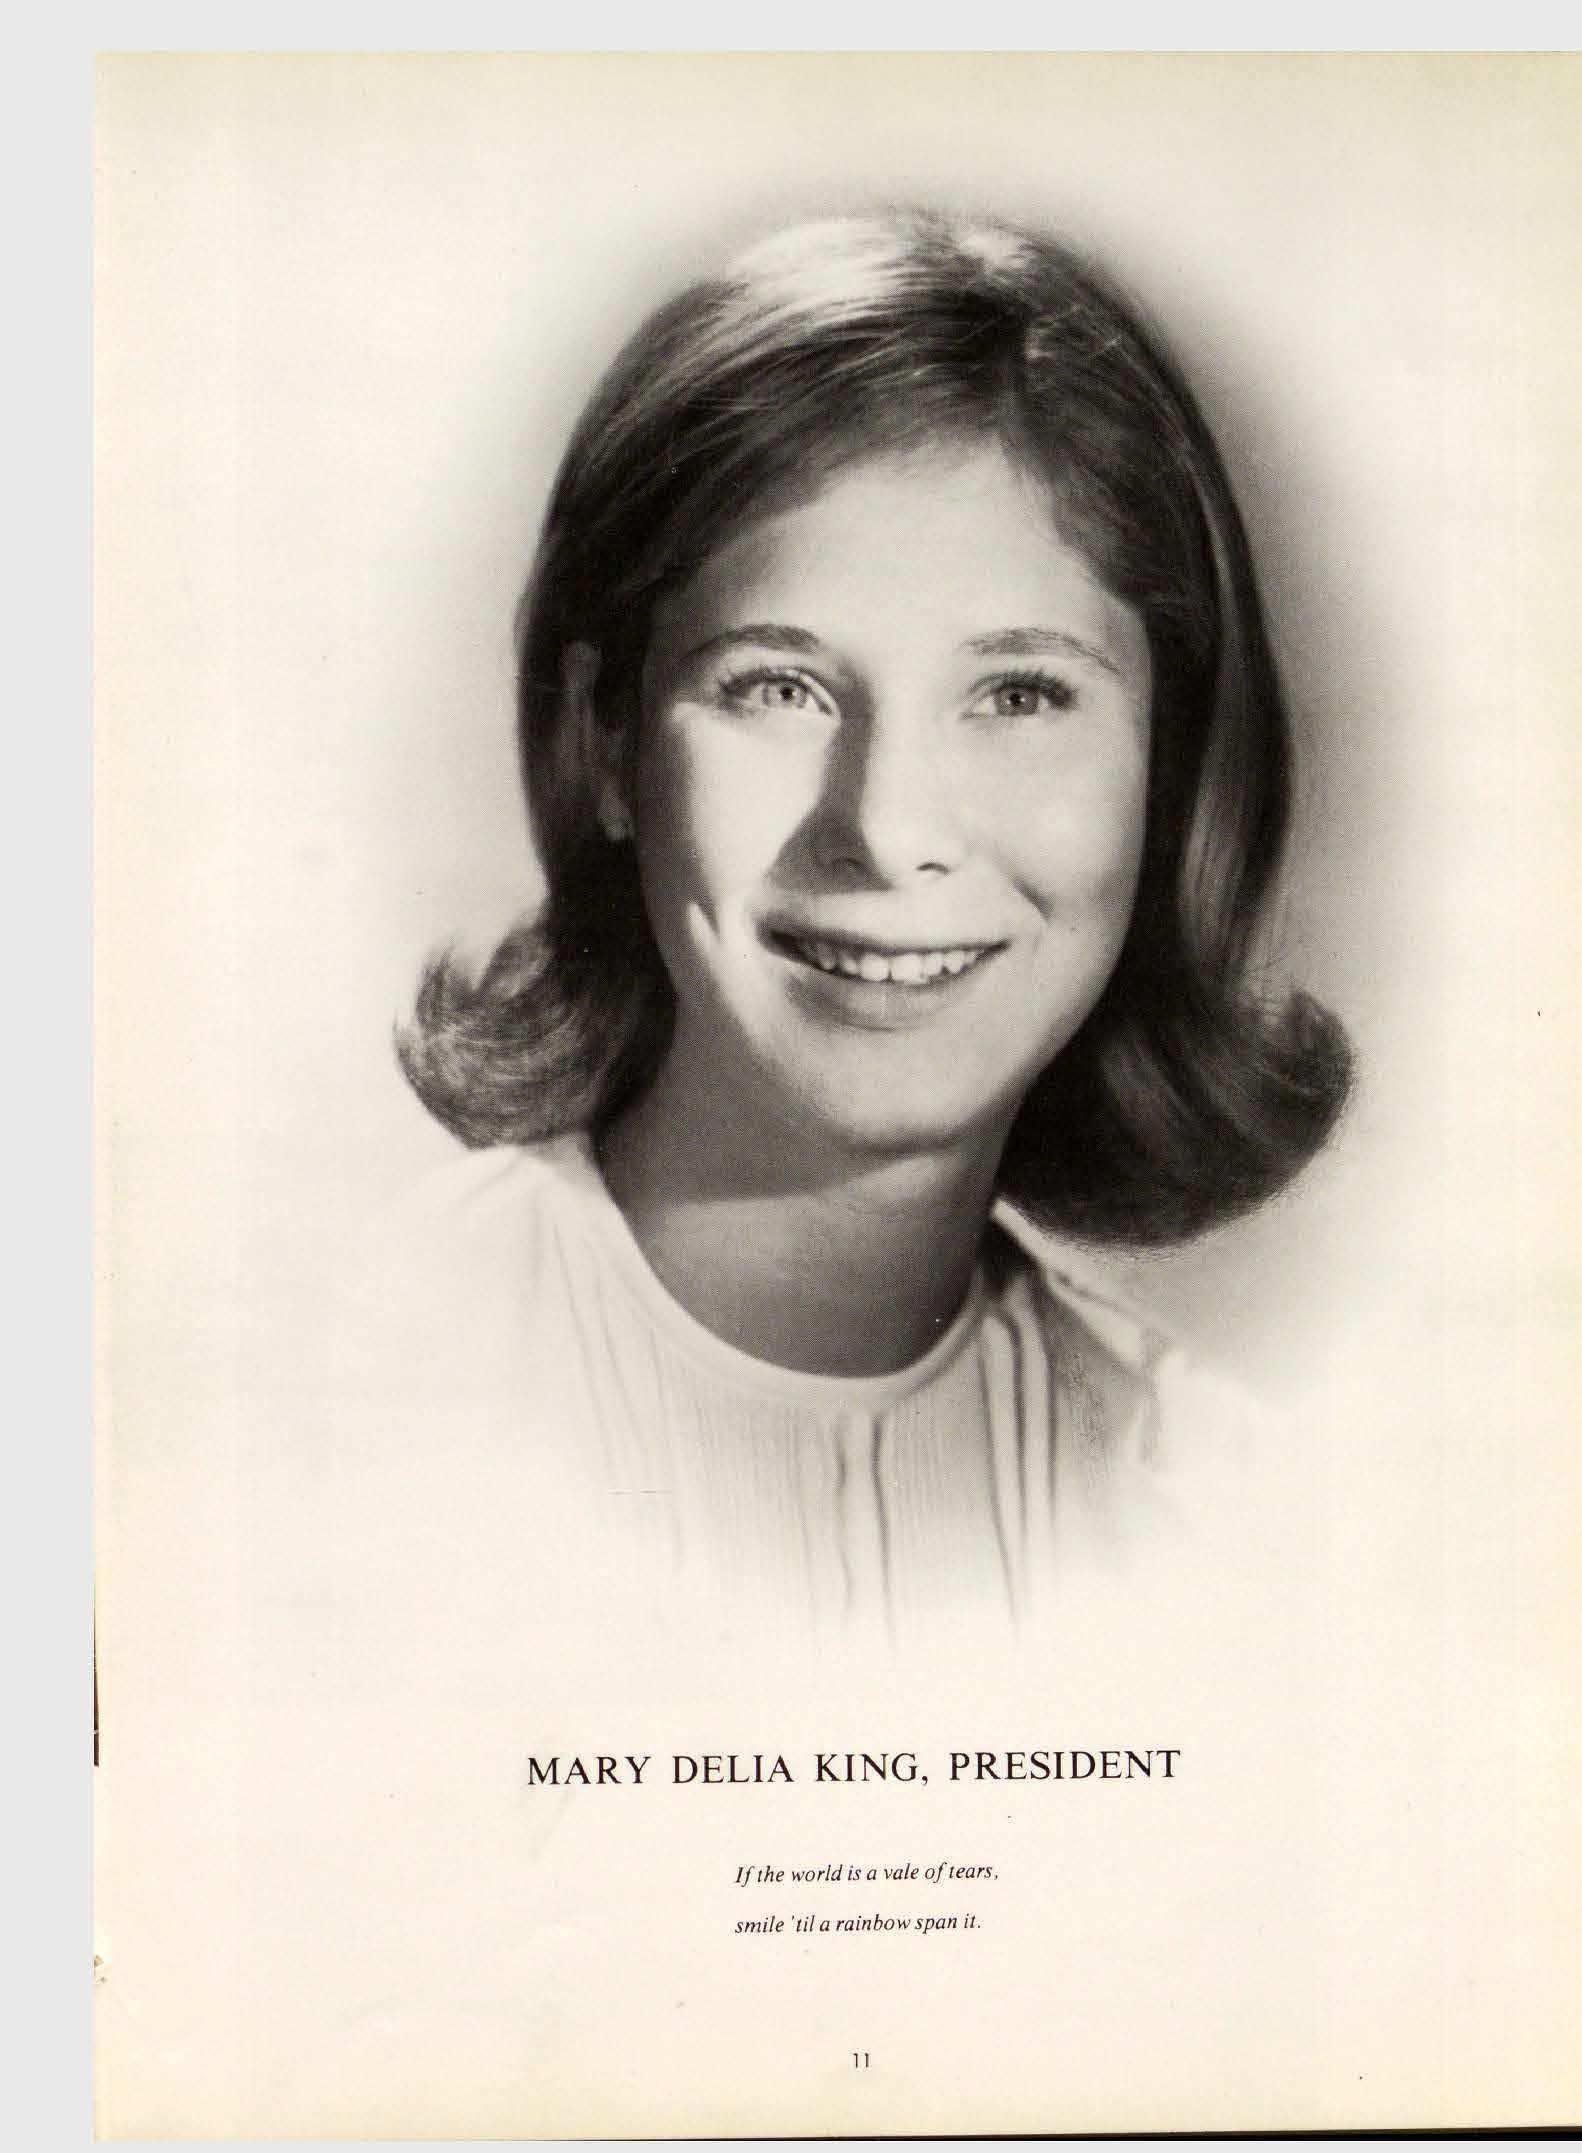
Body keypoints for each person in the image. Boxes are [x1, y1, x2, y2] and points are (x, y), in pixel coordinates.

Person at [385, 208, 1352, 1643]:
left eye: (1019, 695)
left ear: (1169, 766)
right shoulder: (327, 1400)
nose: (888, 830)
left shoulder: (1237, 1520)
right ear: (605, 743)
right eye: (779, 688)